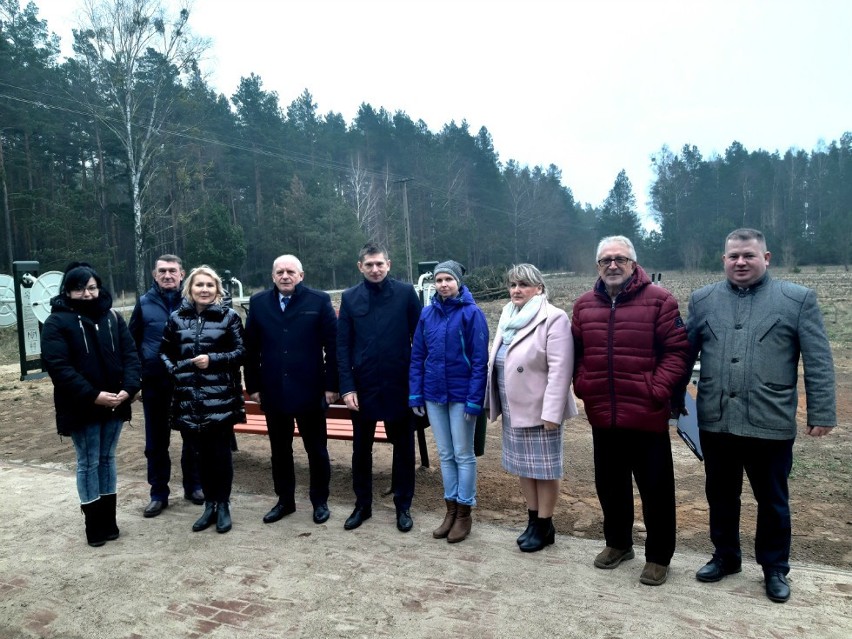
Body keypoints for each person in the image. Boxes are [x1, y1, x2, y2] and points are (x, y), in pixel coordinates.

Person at [684, 228, 836, 603]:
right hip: (716, 420)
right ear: (723, 260)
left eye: (748, 255)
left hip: (770, 421)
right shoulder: (703, 300)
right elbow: (682, 356)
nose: (740, 262)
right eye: (733, 256)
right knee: (721, 495)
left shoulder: (797, 300)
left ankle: (774, 568)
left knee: (772, 500)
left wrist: (822, 410)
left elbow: (818, 359)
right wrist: (675, 404)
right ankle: (726, 556)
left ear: (766, 258)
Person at [571, 236, 690, 585]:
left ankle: (658, 557)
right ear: (597, 266)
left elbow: (678, 352)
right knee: (610, 485)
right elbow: (576, 352)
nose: (612, 265)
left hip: (645, 414)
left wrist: (657, 389)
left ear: (634, 264)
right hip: (603, 414)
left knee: (656, 490)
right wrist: (584, 383)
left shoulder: (660, 301)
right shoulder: (583, 306)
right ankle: (618, 543)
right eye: (605, 259)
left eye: (620, 258)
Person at [41, 262, 141, 547]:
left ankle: (109, 521)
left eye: (92, 287)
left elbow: (130, 354)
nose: (87, 293)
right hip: (82, 405)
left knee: (107, 459)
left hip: (115, 401)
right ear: (68, 291)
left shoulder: (112, 317)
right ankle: (93, 524)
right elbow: (59, 368)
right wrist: (93, 395)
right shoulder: (56, 322)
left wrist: (129, 388)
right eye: (80, 288)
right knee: (88, 461)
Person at [485, 263, 577, 553]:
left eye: (523, 285)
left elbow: (561, 369)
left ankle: (545, 524)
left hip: (540, 409)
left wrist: (552, 413)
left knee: (545, 469)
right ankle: (533, 519)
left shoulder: (554, 318)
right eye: (513, 284)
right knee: (524, 465)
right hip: (514, 406)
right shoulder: (507, 314)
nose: (516, 290)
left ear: (539, 288)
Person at [244, 254, 338, 526]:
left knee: (316, 450)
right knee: (280, 450)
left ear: (301, 275)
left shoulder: (318, 300)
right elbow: (251, 349)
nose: (285, 276)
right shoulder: (259, 302)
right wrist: (253, 386)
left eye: (290, 272)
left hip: (311, 390)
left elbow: (332, 346)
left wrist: (332, 385)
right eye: (280, 272)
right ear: (273, 276)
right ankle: (285, 500)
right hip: (273, 391)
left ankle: (320, 501)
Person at [337, 242, 422, 532]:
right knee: (361, 450)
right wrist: (347, 388)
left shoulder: (405, 294)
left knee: (403, 449)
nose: (375, 269)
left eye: (380, 264)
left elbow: (420, 341)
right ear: (360, 266)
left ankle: (403, 506)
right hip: (363, 388)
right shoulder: (349, 299)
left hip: (399, 386)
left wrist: (417, 385)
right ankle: (362, 505)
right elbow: (342, 346)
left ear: (389, 264)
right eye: (369, 264)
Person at [159, 265, 246, 534]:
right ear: (190, 289)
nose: (204, 290)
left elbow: (242, 352)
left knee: (220, 456)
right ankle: (209, 505)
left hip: (219, 398)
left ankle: (224, 504)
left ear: (217, 289)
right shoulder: (176, 319)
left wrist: (214, 360)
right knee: (199, 456)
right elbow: (164, 351)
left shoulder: (229, 318)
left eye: (210, 285)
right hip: (188, 399)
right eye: (199, 285)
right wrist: (175, 369)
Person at [409, 260, 489, 543]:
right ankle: (450, 510)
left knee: (463, 454)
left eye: (448, 279)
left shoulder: (471, 314)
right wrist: (416, 393)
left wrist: (474, 401)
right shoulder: (427, 314)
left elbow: (480, 362)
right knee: (445, 454)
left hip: (461, 395)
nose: (443, 284)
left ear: (458, 282)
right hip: (434, 394)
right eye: (439, 280)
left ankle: (464, 512)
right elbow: (418, 355)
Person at [129, 254, 203, 518]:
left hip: (188, 383)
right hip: (155, 383)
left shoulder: (194, 302)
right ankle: (158, 493)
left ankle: (193, 486)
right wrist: (135, 380)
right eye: (162, 271)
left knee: (192, 438)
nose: (168, 275)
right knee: (156, 442)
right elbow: (131, 344)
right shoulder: (144, 304)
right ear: (154, 274)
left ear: (182, 274)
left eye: (173, 270)